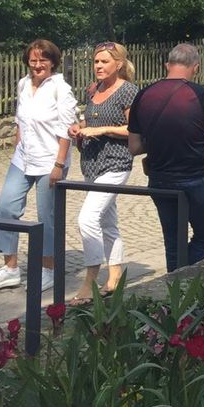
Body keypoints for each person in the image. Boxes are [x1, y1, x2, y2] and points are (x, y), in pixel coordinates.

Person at [0, 39, 77, 294]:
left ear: (53, 62)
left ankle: (48, 270)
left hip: (50, 160)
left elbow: (65, 131)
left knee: (46, 216)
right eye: (33, 60)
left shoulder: (61, 89)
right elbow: (20, 121)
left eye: (43, 60)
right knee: (6, 205)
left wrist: (59, 165)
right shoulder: (24, 84)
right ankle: (10, 269)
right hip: (23, 158)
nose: (37, 65)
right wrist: (17, 147)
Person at [127, 42, 204, 272]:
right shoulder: (202, 95)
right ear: (196, 67)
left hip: (160, 178)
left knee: (173, 241)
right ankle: (182, 277)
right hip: (195, 177)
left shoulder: (143, 95)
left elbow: (134, 147)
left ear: (167, 65)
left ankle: (174, 288)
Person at [67, 42, 140, 301]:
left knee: (87, 218)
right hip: (91, 162)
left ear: (118, 64)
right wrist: (79, 128)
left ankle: (89, 281)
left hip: (116, 163)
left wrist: (102, 130)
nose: (98, 66)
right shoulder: (93, 90)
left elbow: (135, 129)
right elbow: (92, 119)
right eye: (96, 62)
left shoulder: (128, 91)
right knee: (108, 222)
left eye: (104, 62)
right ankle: (116, 274)